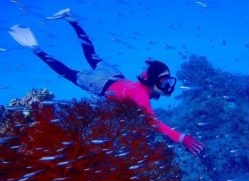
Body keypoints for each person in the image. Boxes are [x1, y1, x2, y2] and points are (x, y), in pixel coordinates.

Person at [8, 8, 204, 155]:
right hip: (101, 84)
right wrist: (181, 138)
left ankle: (71, 20)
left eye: (169, 82)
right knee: (67, 72)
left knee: (91, 54)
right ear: (151, 80)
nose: (168, 86)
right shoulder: (141, 96)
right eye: (164, 83)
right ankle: (35, 48)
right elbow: (155, 123)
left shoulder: (146, 84)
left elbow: (149, 73)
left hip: (114, 76)